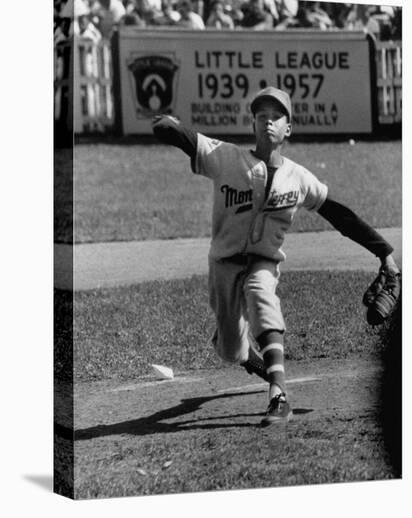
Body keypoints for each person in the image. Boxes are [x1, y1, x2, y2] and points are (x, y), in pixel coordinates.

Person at [152, 86, 400, 427]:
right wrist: (167, 124)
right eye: (261, 116)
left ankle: (278, 395)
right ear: (253, 125)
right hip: (222, 265)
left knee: (261, 295)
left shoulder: (298, 178)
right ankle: (247, 353)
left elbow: (340, 215)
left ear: (288, 128)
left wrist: (383, 251)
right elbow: (183, 137)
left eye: (276, 117)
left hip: (263, 262)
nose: (268, 122)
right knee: (230, 351)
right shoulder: (225, 157)